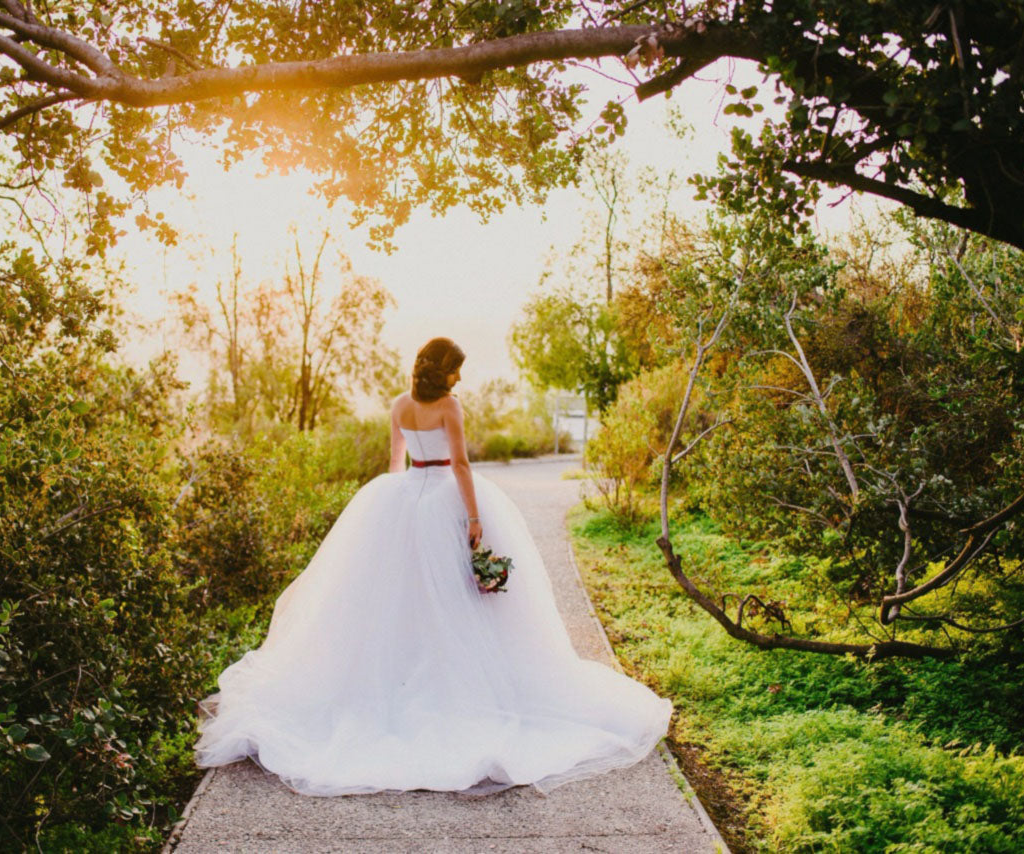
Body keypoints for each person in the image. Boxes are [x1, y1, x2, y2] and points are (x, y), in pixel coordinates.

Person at [194, 337, 672, 796]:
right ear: (442, 369)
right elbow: (461, 465)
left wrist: (401, 507)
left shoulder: (400, 404)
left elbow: (394, 462)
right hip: (446, 495)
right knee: (458, 596)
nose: (459, 377)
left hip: (403, 498)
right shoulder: (450, 406)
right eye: (455, 368)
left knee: (400, 597)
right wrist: (475, 517)